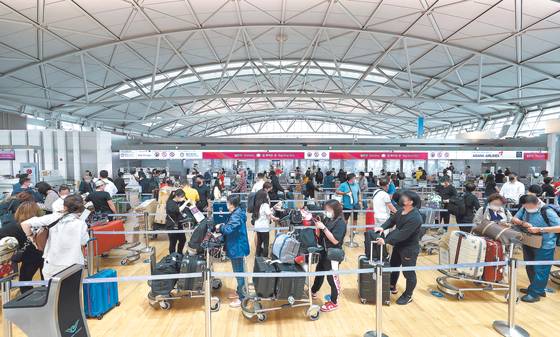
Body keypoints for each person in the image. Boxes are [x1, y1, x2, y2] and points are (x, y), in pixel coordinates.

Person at [21, 194, 89, 280]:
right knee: (72, 291)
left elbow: (25, 224)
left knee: (52, 291)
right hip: (74, 263)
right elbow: (84, 242)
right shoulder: (81, 223)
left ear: (64, 206)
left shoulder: (52, 217)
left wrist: (31, 237)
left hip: (52, 262)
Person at [374, 190, 423, 305]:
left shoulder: (415, 218)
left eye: (404, 198)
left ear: (410, 202)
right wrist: (382, 227)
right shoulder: (401, 211)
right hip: (398, 245)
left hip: (409, 249)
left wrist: (385, 240)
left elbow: (402, 234)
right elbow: (392, 220)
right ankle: (392, 286)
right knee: (393, 266)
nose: (401, 198)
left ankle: (408, 295)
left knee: (408, 273)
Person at [511, 195, 560, 302]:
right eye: (525, 206)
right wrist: (523, 223)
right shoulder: (525, 207)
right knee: (530, 266)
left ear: (537, 203)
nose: (527, 208)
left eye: (529, 206)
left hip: (545, 244)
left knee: (541, 269)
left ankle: (535, 293)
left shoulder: (547, 211)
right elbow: (514, 218)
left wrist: (540, 229)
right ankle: (536, 288)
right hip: (529, 241)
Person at [311, 199, 347, 312]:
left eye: (328, 210)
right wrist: (318, 226)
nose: (326, 211)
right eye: (326, 210)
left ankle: (334, 301)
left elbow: (335, 240)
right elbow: (321, 234)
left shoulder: (340, 222)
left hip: (333, 253)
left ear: (334, 210)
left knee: (332, 278)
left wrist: (324, 228)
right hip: (324, 251)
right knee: (319, 272)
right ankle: (313, 290)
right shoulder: (328, 218)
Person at [0, 201, 44, 293]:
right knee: (47, 281)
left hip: (27, 258)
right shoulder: (43, 224)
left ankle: (27, 300)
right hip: (45, 255)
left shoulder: (12, 227)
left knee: (24, 281)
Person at [215, 195, 249, 308]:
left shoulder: (236, 215)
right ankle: (240, 291)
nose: (226, 205)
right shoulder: (237, 213)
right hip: (237, 245)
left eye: (227, 203)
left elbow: (229, 229)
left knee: (239, 272)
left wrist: (220, 227)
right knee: (238, 271)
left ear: (232, 204)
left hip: (237, 247)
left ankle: (242, 298)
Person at [253, 183, 278, 257]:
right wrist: (277, 218)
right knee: (266, 243)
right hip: (264, 227)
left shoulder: (258, 205)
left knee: (259, 242)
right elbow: (271, 216)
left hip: (257, 226)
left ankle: (257, 256)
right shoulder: (265, 205)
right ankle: (265, 257)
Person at [165, 189, 189, 254]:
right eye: (182, 197)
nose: (183, 198)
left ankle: (179, 253)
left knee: (183, 240)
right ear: (177, 196)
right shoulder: (170, 203)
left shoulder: (179, 202)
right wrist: (186, 203)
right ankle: (172, 255)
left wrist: (186, 201)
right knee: (173, 242)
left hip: (179, 224)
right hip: (171, 225)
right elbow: (177, 210)